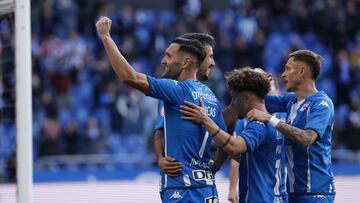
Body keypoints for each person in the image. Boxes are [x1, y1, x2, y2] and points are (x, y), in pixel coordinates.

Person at [96, 16, 226, 202]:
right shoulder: (210, 96)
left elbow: (128, 77)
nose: (163, 61)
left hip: (182, 190)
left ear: (186, 62)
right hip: (207, 190)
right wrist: (160, 157)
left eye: (168, 55)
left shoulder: (176, 90)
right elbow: (225, 143)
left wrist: (106, 37)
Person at [180, 67, 287, 202]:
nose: (233, 105)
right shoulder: (273, 122)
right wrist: (215, 167)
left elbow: (234, 147)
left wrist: (205, 120)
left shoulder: (258, 125)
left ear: (247, 98)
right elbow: (237, 152)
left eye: (235, 99)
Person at [247, 50, 336, 203]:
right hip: (293, 193)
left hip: (317, 193)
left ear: (302, 71)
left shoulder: (322, 104)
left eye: (288, 69)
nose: (283, 74)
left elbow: (307, 138)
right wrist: (258, 83)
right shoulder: (290, 100)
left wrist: (270, 119)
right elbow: (256, 101)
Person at [153, 33, 216, 177]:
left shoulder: (210, 95)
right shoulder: (171, 91)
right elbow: (160, 130)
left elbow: (221, 130)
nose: (212, 62)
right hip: (182, 181)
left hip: (197, 183)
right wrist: (160, 158)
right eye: (210, 56)